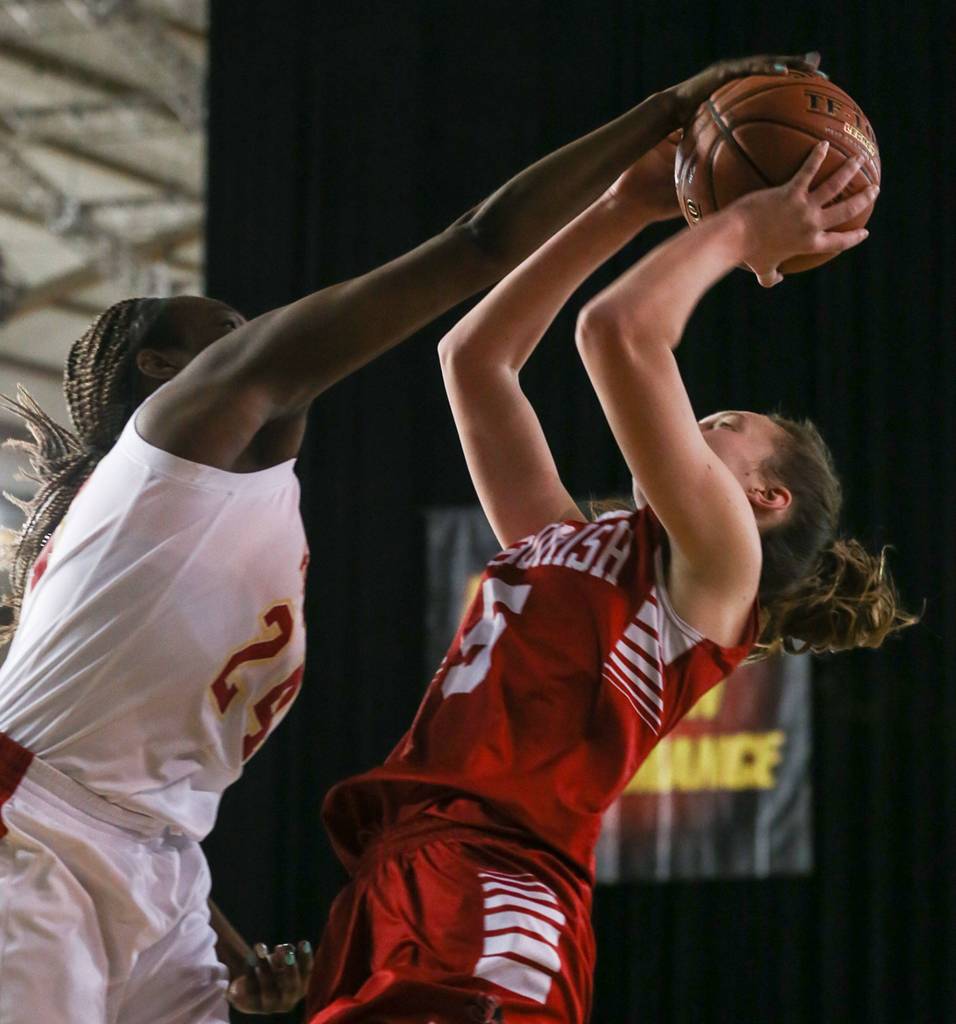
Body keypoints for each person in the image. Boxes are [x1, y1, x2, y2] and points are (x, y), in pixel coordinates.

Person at [0, 51, 817, 1024]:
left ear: (763, 500)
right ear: (168, 368)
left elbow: (600, 333)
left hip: (388, 874)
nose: (265, 328)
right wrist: (669, 178)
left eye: (723, 428)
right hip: (265, 858)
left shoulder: (690, 561)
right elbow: (480, 336)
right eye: (234, 327)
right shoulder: (187, 439)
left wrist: (663, 208)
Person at [305, 132, 914, 1021]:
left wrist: (746, 227)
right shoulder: (565, 544)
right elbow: (474, 360)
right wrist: (623, 204)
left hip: (508, 875)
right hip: (406, 859)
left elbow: (620, 332)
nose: (693, 419)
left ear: (765, 495)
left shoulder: (720, 566)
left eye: (723, 421)